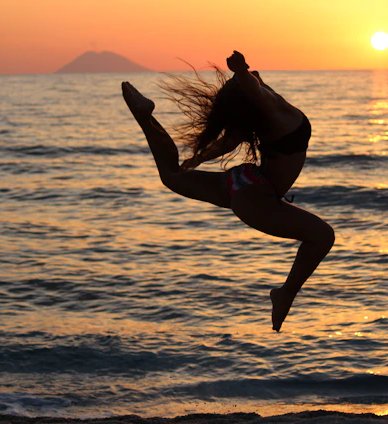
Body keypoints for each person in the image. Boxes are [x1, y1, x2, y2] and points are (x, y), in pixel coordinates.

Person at [121, 51, 334, 332]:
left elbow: (230, 139)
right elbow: (255, 90)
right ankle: (285, 294)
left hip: (244, 180)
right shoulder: (277, 110)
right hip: (256, 195)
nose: (259, 76)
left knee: (172, 176)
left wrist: (198, 159)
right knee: (322, 236)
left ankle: (144, 115)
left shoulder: (263, 119)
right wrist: (242, 71)